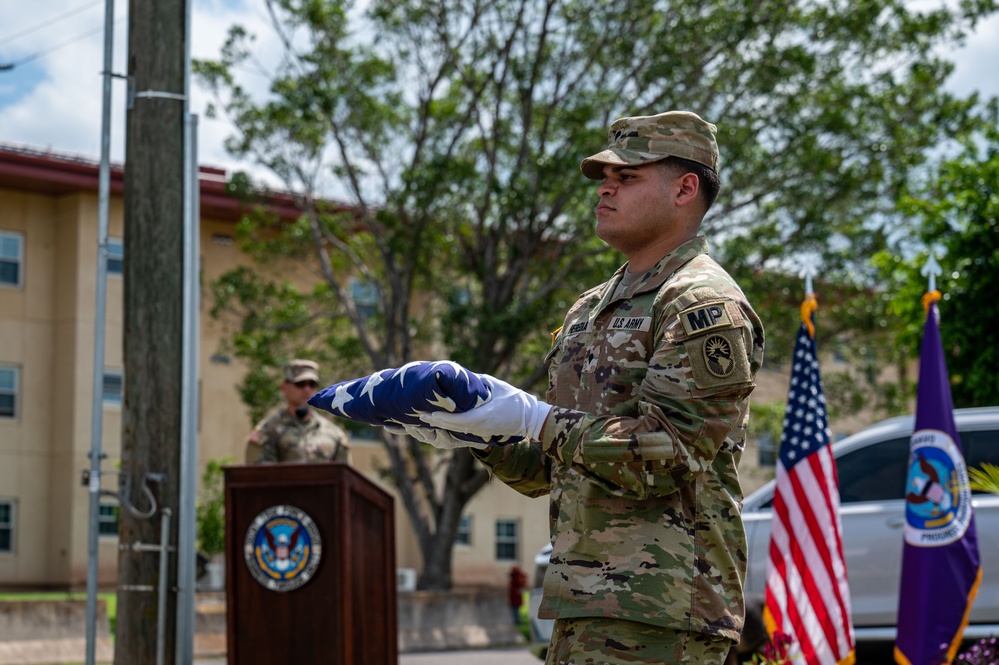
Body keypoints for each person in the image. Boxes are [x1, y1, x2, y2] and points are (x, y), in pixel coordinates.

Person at [418, 111, 766, 665]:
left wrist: (534, 420)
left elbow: (669, 452)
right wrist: (479, 432)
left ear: (685, 188)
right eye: (605, 176)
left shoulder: (702, 305)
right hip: (583, 602)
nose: (605, 187)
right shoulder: (590, 308)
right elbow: (558, 465)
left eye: (627, 177)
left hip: (663, 611)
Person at [245, 359, 351, 464]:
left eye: (312, 384)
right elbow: (256, 474)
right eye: (300, 384)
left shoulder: (335, 434)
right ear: (284, 387)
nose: (307, 389)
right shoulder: (267, 430)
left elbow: (345, 478)